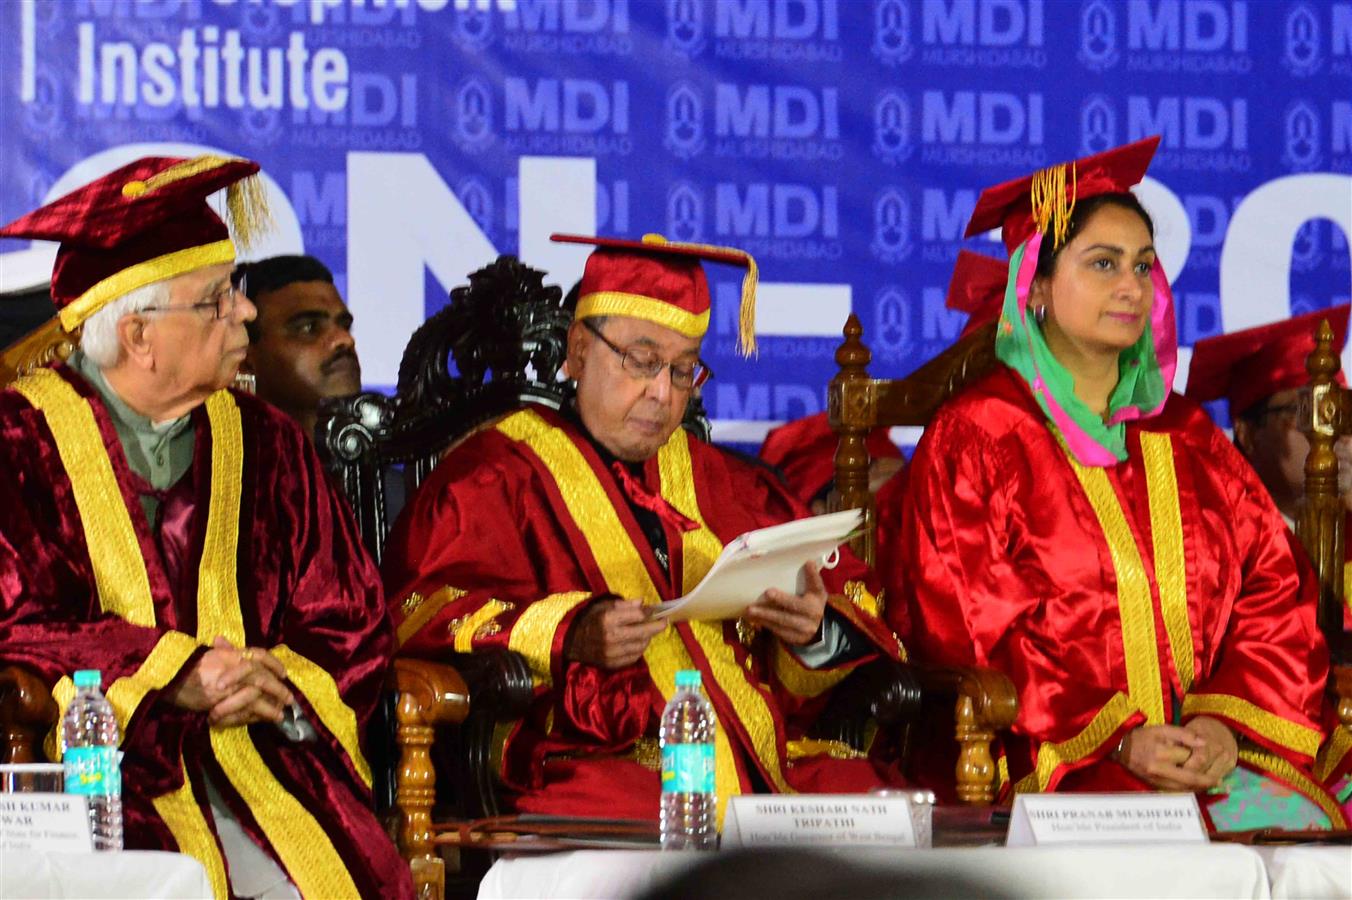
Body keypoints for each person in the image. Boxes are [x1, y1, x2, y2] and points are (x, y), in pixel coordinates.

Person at [878, 136, 1350, 828]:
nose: (1132, 286)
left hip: (1211, 751)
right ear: (1036, 283)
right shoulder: (979, 434)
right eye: (1103, 265)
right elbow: (968, 623)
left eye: (1143, 266)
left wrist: (1222, 725)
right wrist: (1123, 737)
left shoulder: (1182, 432)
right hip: (1055, 759)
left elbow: (1272, 585)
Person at [383, 233, 905, 823]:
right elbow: (421, 612)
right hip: (596, 754)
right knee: (641, 814)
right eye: (641, 360)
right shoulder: (491, 480)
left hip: (753, 756)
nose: (662, 392)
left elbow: (857, 611)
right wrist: (570, 631)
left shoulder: (730, 486)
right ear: (578, 350)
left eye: (684, 371)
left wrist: (810, 633)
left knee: (874, 802)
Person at [0, 156, 410, 899]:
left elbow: (350, 624)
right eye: (217, 300)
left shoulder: (269, 440)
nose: (245, 314)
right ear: (138, 336)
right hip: (93, 783)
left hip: (267, 767)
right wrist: (173, 674)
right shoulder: (16, 446)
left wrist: (262, 685)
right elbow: (18, 626)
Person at [1186, 307, 1352, 629]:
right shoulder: (1220, 547)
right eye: (1309, 412)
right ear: (1247, 434)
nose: (1337, 435)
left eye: (1343, 414)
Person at [233, 254, 361, 438]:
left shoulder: (394, 463)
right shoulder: (215, 464)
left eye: (345, 325)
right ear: (245, 357)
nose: (345, 339)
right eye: (309, 328)